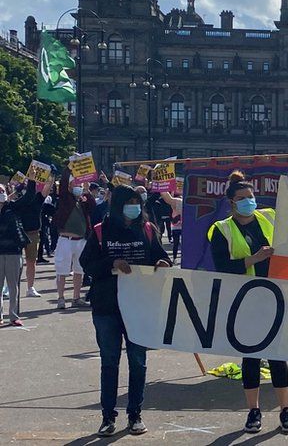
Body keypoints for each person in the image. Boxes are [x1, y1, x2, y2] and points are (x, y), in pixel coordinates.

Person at [208, 171, 288, 434]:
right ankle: (253, 411)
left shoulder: (268, 216)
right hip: (244, 300)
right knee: (251, 357)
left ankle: (285, 410)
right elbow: (222, 267)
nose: (250, 201)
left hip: (275, 296)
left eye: (251, 196)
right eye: (243, 198)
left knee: (278, 356)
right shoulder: (221, 229)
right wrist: (254, 259)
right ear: (231, 202)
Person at [79, 185, 171, 436]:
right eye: (129, 202)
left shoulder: (149, 229)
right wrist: (112, 263)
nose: (134, 207)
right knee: (109, 362)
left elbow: (161, 258)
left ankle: (135, 414)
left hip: (139, 307)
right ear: (117, 206)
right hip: (107, 306)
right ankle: (108, 417)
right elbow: (87, 264)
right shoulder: (100, 231)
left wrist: (163, 263)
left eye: (137, 202)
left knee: (138, 362)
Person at [53, 168, 95, 309]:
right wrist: (69, 167)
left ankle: (76, 298)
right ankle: (61, 298)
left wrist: (87, 191)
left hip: (80, 240)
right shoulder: (66, 198)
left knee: (79, 270)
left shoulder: (83, 200)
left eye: (80, 184)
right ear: (70, 185)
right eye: (75, 183)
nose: (78, 186)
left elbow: (93, 207)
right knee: (62, 270)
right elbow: (64, 184)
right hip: (66, 240)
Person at [12, 178, 52, 299]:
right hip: (18, 233)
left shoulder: (38, 198)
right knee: (13, 262)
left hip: (33, 233)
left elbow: (46, 189)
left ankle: (30, 287)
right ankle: (10, 287)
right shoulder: (17, 201)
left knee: (31, 261)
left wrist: (50, 177)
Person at [0, 183, 28, 326]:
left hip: (13, 253)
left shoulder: (12, 208)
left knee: (13, 286)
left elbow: (28, 198)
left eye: (2, 191)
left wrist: (31, 181)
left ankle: (14, 316)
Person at [161, 191, 183, 261]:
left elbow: (167, 198)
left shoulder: (177, 202)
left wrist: (163, 187)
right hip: (183, 227)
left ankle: (174, 258)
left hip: (175, 226)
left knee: (176, 244)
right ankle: (181, 258)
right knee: (184, 244)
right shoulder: (182, 202)